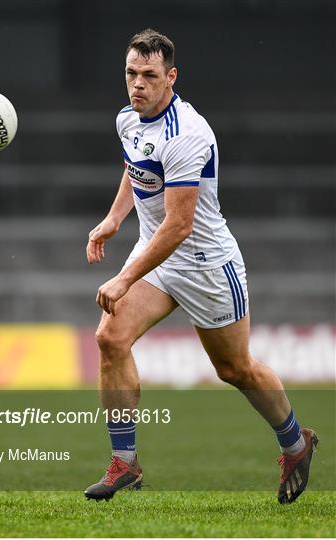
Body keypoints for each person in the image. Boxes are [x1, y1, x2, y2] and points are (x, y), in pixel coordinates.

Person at [84, 28, 317, 504]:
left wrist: (125, 277)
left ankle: (296, 444)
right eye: (131, 74)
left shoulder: (189, 133)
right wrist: (113, 219)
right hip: (157, 256)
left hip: (205, 264)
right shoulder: (128, 118)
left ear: (171, 77)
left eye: (149, 76)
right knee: (110, 337)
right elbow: (136, 166)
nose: (137, 85)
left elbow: (179, 226)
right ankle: (124, 464)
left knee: (235, 369)